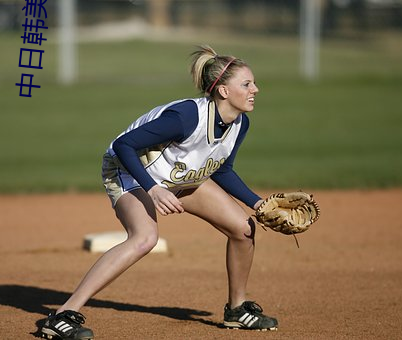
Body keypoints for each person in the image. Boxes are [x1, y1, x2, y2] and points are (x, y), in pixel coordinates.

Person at [41, 45, 278, 340]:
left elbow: (222, 169)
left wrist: (259, 204)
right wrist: (152, 189)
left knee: (243, 228)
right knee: (145, 238)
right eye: (246, 84)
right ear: (224, 92)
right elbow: (123, 146)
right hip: (129, 172)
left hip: (177, 177)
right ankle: (62, 315)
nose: (256, 88)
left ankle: (238, 309)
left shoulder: (239, 123)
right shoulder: (185, 117)